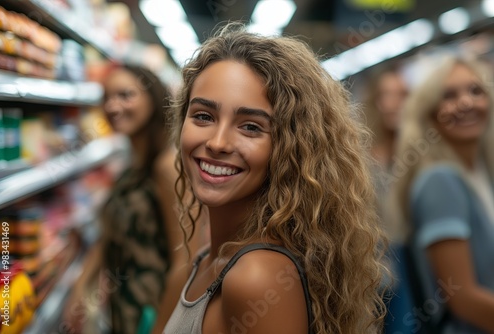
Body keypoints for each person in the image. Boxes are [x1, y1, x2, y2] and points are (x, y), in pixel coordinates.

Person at [161, 23, 387, 334]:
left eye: (251, 126)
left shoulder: (256, 277)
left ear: (289, 147)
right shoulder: (205, 260)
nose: (218, 142)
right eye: (203, 116)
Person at [62, 64, 205, 334]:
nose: (113, 106)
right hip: (124, 311)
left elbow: (186, 259)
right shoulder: (131, 165)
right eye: (106, 98)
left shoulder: (167, 166)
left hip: (153, 312)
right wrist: (82, 286)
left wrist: (162, 327)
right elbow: (111, 233)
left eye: (125, 95)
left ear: (152, 97)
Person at [390, 56, 494, 333]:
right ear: (430, 114)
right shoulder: (440, 180)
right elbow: (463, 298)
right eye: (449, 95)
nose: (466, 103)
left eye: (476, 91)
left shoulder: (480, 172)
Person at [362, 66, 415, 333]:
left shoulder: (422, 154)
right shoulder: (365, 161)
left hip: (418, 260)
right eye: (387, 94)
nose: (395, 103)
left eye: (402, 94)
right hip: (382, 269)